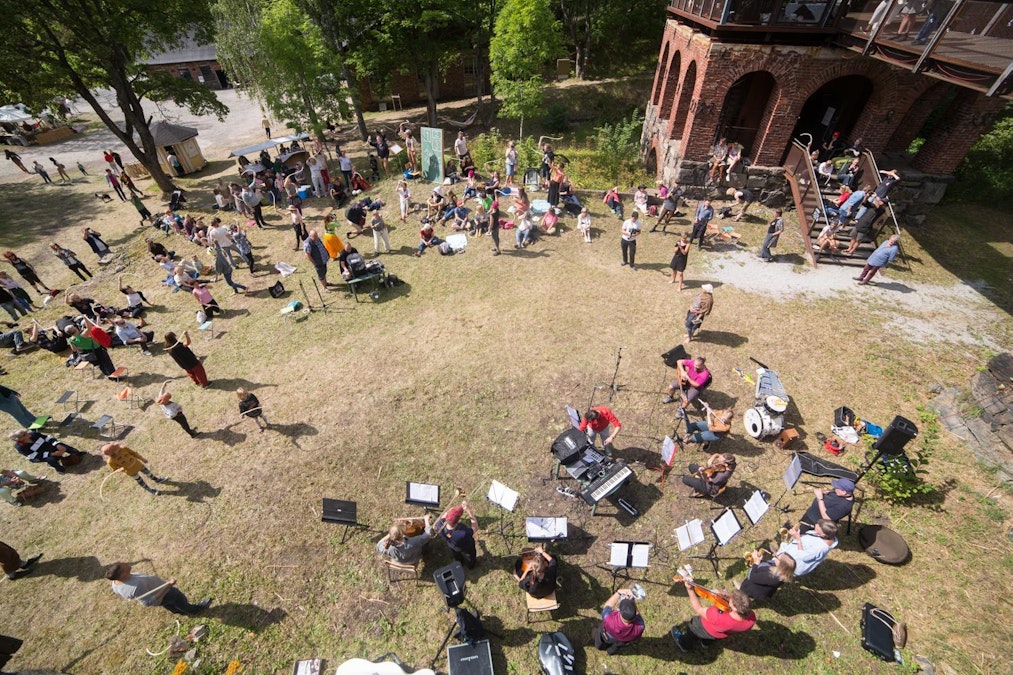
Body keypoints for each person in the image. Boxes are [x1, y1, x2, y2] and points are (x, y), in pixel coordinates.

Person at [670, 586, 755, 652]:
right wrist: (722, 594)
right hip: (718, 634)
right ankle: (705, 643)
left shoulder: (717, 616)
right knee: (710, 637)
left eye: (730, 601)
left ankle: (684, 644)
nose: (728, 599)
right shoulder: (751, 618)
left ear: (735, 609)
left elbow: (698, 608)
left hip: (702, 627)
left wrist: (690, 590)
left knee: (692, 630)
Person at [106, 562, 211, 614]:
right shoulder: (136, 586)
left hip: (161, 597)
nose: (127, 564)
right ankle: (194, 610)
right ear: (123, 575)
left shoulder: (115, 583)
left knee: (171, 606)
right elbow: (147, 602)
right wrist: (168, 585)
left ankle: (178, 611)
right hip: (165, 594)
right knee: (179, 600)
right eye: (125, 566)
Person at [594, 588, 645, 652]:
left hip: (606, 635)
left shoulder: (608, 619)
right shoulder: (640, 627)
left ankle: (599, 646)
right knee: (616, 647)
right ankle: (610, 652)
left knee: (599, 641)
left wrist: (618, 592)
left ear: (619, 611)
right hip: (621, 641)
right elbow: (637, 615)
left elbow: (607, 606)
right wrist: (632, 603)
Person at [10, 429, 84, 473]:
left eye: (26, 432)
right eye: (25, 434)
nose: (28, 433)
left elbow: (48, 438)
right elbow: (33, 455)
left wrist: (57, 445)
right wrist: (52, 454)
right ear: (20, 439)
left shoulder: (34, 434)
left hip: (47, 447)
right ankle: (60, 469)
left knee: (63, 446)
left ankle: (77, 453)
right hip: (39, 455)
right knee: (51, 459)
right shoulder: (20, 447)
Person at [435, 501, 479, 569]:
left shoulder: (439, 525)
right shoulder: (463, 533)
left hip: (453, 546)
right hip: (466, 547)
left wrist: (450, 511)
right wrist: (469, 511)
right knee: (470, 555)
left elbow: (442, 517)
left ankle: (460, 562)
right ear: (458, 520)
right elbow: (475, 527)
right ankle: (471, 565)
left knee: (456, 554)